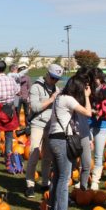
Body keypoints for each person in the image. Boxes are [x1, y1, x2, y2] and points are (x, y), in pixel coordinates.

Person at [43, 75, 94, 210]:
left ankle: (53, 208)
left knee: (58, 176)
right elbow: (88, 113)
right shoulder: (68, 99)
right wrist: (87, 97)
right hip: (61, 140)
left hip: (54, 139)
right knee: (64, 177)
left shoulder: (59, 98)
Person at [23, 64, 63, 197]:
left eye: (57, 79)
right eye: (52, 78)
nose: (54, 81)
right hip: (38, 124)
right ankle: (30, 184)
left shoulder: (56, 88)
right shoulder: (36, 87)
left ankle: (45, 182)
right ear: (47, 74)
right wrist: (51, 99)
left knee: (48, 157)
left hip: (51, 125)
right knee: (34, 153)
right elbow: (34, 107)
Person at [88, 70, 106, 190]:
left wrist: (100, 112)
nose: (93, 80)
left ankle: (95, 179)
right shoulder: (88, 89)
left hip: (102, 124)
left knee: (98, 154)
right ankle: (84, 177)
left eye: (95, 78)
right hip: (88, 122)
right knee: (86, 152)